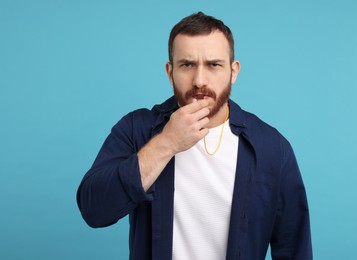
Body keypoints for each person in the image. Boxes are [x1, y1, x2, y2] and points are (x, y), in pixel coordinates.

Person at [77, 12, 312, 260]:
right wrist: (166, 143)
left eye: (213, 65)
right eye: (187, 65)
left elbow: (294, 247)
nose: (199, 80)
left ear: (234, 71)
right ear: (170, 72)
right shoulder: (137, 129)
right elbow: (94, 210)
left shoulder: (272, 148)